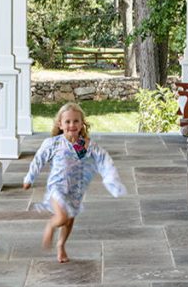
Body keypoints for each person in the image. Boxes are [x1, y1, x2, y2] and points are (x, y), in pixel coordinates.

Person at [22, 102, 125, 263]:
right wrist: (29, 178)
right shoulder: (53, 143)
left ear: (82, 123)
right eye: (68, 121)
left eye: (76, 121)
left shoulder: (84, 145)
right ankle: (51, 225)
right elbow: (38, 159)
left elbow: (103, 159)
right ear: (60, 124)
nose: (72, 125)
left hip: (76, 190)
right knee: (62, 217)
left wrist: (111, 179)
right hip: (57, 188)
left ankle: (61, 245)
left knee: (69, 220)